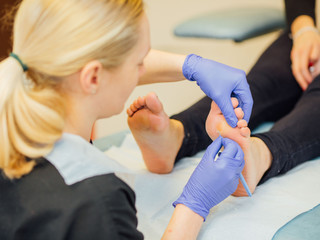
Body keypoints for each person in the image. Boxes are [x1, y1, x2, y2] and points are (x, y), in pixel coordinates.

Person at [0, 0, 251, 239]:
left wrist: (190, 66)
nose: (143, 68)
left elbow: (99, 62)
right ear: (92, 77)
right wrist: (194, 205)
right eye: (139, 62)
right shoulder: (97, 205)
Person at [127, 0, 320, 197]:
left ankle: (259, 155)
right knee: (260, 83)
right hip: (313, 33)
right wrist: (304, 30)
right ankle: (177, 135)